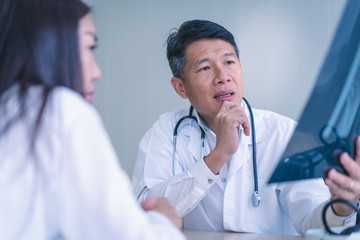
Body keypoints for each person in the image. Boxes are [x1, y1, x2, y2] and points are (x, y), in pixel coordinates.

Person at [132, 19, 360, 235]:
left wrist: (341, 209)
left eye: (229, 62)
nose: (223, 77)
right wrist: (218, 155)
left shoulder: (283, 133)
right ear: (181, 87)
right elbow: (148, 210)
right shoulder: (166, 131)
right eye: (205, 68)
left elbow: (310, 220)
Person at [0, 0, 185, 239]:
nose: (97, 72)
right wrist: (161, 221)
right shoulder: (60, 110)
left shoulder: (11, 109)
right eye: (89, 47)